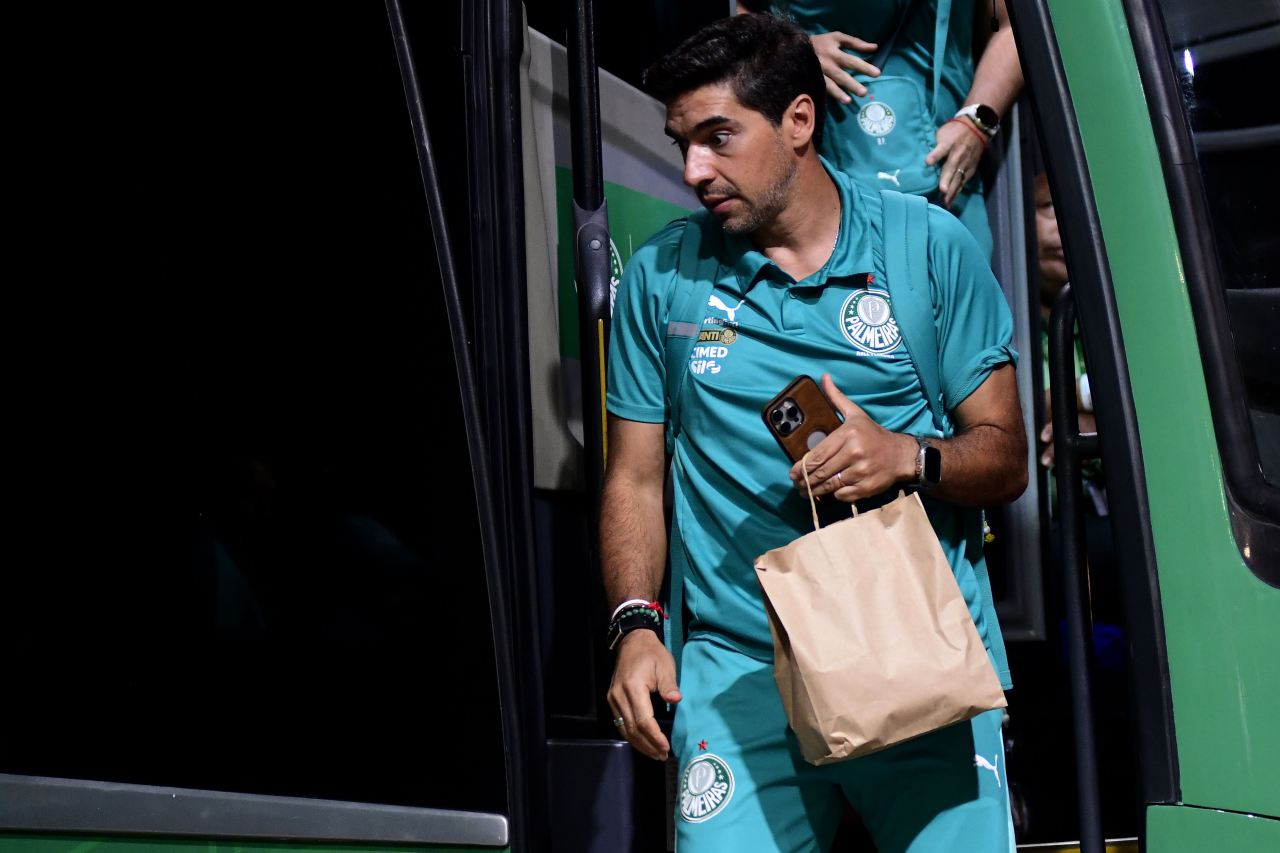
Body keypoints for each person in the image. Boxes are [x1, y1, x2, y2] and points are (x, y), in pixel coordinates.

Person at [601, 15, 1027, 853]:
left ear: (799, 120)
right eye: (683, 144)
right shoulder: (660, 278)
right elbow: (635, 478)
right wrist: (635, 625)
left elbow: (1005, 454)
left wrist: (907, 455)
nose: (692, 170)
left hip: (915, 653)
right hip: (741, 670)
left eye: (718, 137)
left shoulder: (927, 248)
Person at [741, 0, 1023, 259]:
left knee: (958, 283)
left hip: (946, 166)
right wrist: (789, 51)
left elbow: (1013, 26)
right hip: (817, 163)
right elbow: (731, 14)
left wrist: (976, 122)